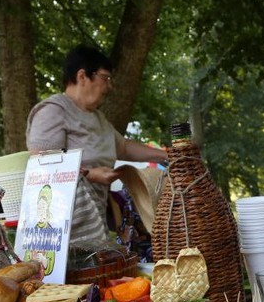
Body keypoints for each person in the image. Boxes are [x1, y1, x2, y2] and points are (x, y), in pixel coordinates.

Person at [25, 45, 167, 245]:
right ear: (82, 76)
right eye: (105, 78)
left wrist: (166, 155)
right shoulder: (53, 111)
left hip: (93, 224)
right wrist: (91, 175)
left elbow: (124, 147)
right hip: (60, 232)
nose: (110, 86)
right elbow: (42, 164)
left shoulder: (99, 119)